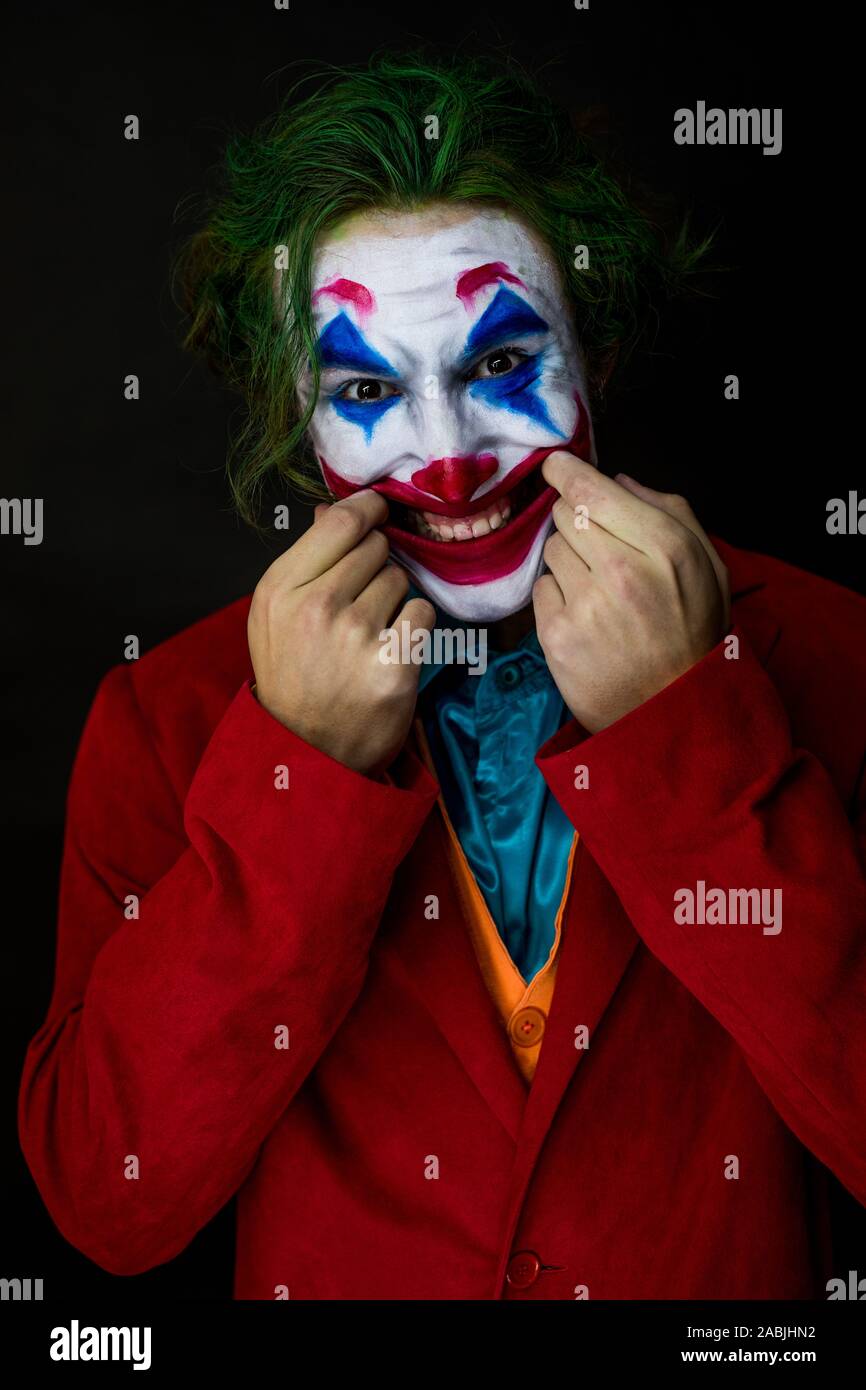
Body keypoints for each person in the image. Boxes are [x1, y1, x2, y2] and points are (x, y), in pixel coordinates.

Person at [18, 53, 866, 1300]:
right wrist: (296, 780)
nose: (447, 460)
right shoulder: (170, 718)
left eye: (501, 365)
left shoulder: (833, 654)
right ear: (292, 418)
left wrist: (689, 746)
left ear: (599, 355)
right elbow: (110, 1199)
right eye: (365, 388)